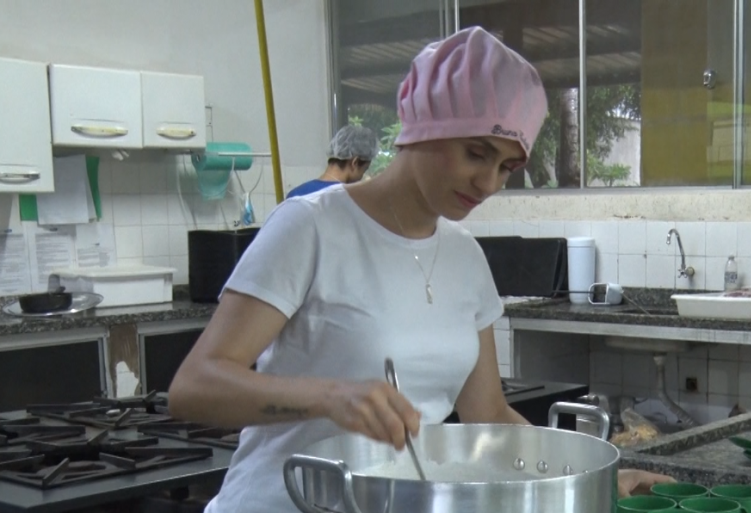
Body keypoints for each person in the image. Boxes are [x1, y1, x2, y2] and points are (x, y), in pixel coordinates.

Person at [168, 26, 674, 513]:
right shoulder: (310, 228)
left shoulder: (465, 255)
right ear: (423, 127)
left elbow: (488, 417)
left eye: (506, 167)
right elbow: (195, 389)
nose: (488, 182)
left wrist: (596, 480)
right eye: (476, 153)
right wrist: (327, 397)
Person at [285, 124, 379, 198]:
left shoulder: (295, 195)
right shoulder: (350, 200)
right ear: (354, 163)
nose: (362, 177)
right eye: (364, 170)